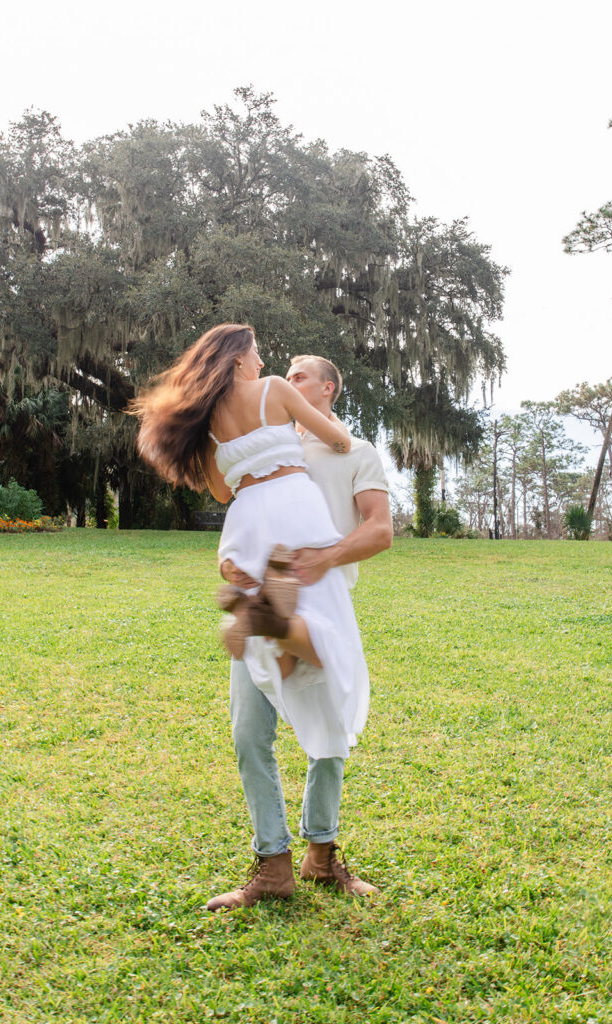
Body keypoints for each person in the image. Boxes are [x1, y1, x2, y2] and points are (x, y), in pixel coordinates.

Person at [132, 325, 372, 907]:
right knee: (331, 646)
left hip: (245, 530)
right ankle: (281, 629)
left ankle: (270, 624)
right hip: (294, 511)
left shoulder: (208, 423)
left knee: (295, 651)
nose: (266, 361)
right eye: (261, 353)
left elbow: (221, 491)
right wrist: (304, 434)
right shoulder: (273, 390)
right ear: (242, 358)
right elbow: (338, 440)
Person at [213, 355, 393, 911]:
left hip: (322, 600)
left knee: (330, 736)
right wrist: (233, 566)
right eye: (282, 376)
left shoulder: (354, 451)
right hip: (263, 596)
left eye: (298, 377)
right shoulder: (266, 442)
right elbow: (242, 504)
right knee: (249, 734)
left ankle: (322, 857)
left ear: (328, 387)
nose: (286, 383)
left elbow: (381, 530)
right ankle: (272, 866)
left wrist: (326, 557)